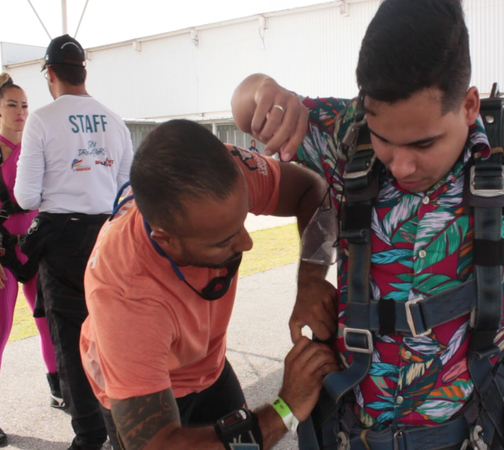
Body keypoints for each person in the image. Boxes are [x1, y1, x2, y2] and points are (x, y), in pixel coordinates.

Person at [231, 0, 504, 448]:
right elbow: (245, 107)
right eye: (384, 139)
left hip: (466, 433)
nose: (400, 165)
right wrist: (265, 90)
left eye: (424, 143)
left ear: (469, 105)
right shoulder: (345, 131)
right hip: (349, 433)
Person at [79, 119, 337, 450]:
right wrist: (285, 408)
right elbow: (158, 445)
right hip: (141, 381)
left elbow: (312, 189)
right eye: (223, 241)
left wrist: (311, 281)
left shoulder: (221, 173)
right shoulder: (125, 295)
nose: (247, 243)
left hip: (208, 368)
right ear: (167, 240)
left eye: (243, 220)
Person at [15, 35, 134, 450]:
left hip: (60, 239)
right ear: (83, 70)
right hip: (108, 236)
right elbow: (126, 193)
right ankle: (123, 425)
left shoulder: (43, 119)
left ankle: (88, 434)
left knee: (69, 338)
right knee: (111, 334)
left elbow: (26, 198)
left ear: (49, 73)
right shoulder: (114, 120)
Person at [0, 73, 65, 447]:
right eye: (12, 103)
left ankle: (59, 387)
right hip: (4, 252)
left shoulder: (35, 146)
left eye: (25, 104)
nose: (21, 111)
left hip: (37, 248)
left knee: (48, 321)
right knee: (1, 332)